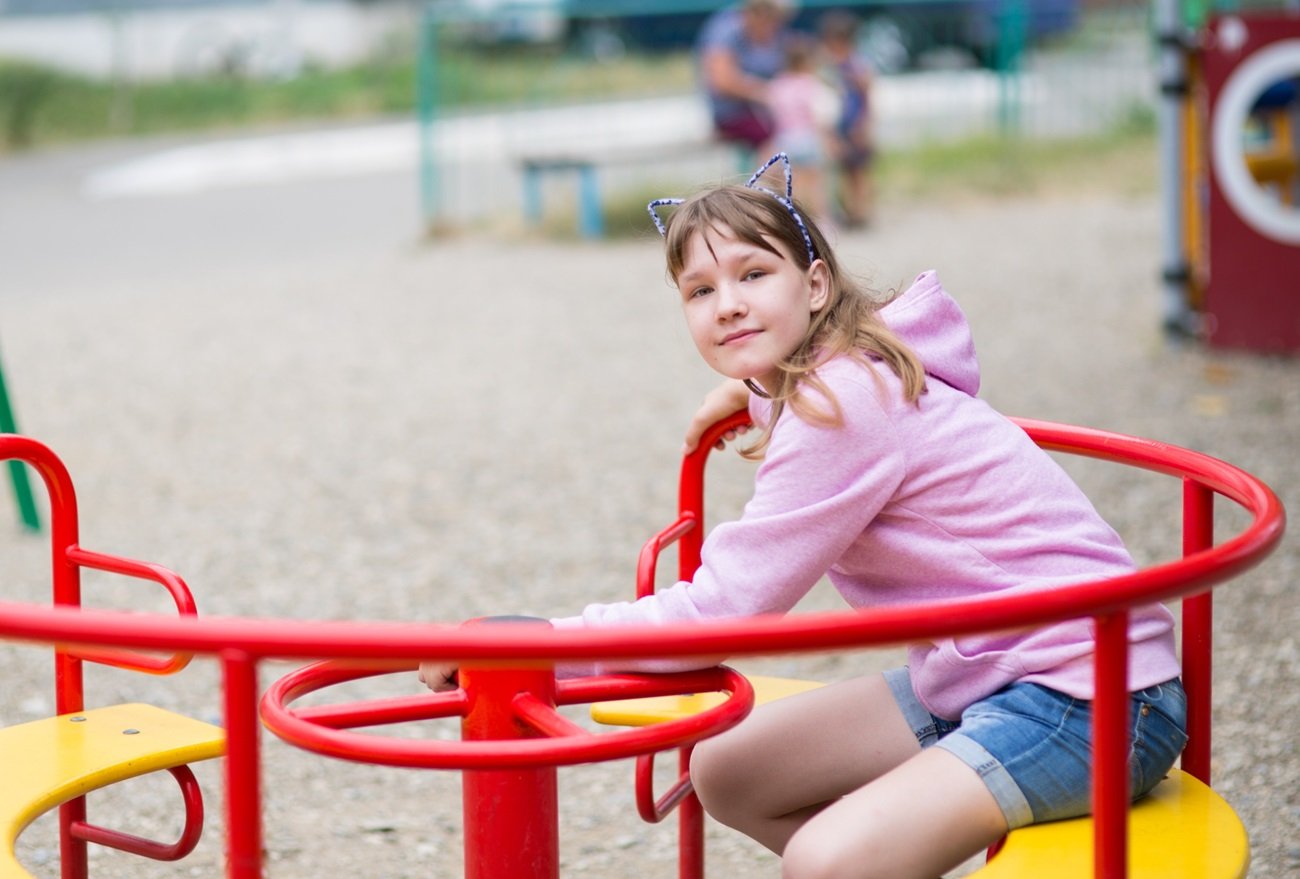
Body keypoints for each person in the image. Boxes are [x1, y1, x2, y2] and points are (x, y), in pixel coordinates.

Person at [420, 154, 1189, 879]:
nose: (728, 303)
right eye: (699, 290)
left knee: (825, 860)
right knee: (730, 770)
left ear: (815, 284)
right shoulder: (840, 369)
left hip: (1093, 697)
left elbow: (725, 609)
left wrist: (540, 646)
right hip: (989, 671)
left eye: (754, 273)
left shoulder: (837, 404)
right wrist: (756, 390)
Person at [697, 0, 795, 151]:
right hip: (733, 114)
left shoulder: (776, 33)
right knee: (782, 138)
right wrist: (764, 92)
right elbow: (722, 81)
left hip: (764, 111)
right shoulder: (726, 30)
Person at [765, 34, 838, 223]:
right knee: (816, 184)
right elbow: (822, 115)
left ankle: (796, 220)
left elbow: (773, 113)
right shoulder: (811, 84)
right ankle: (822, 220)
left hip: (786, 139)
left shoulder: (778, 85)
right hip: (809, 138)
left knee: (792, 184)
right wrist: (829, 140)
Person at [819, 10, 875, 227]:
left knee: (858, 172)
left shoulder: (857, 65)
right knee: (842, 171)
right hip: (838, 126)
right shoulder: (829, 66)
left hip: (855, 124)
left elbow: (866, 96)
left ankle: (860, 211)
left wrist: (864, 125)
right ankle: (849, 210)